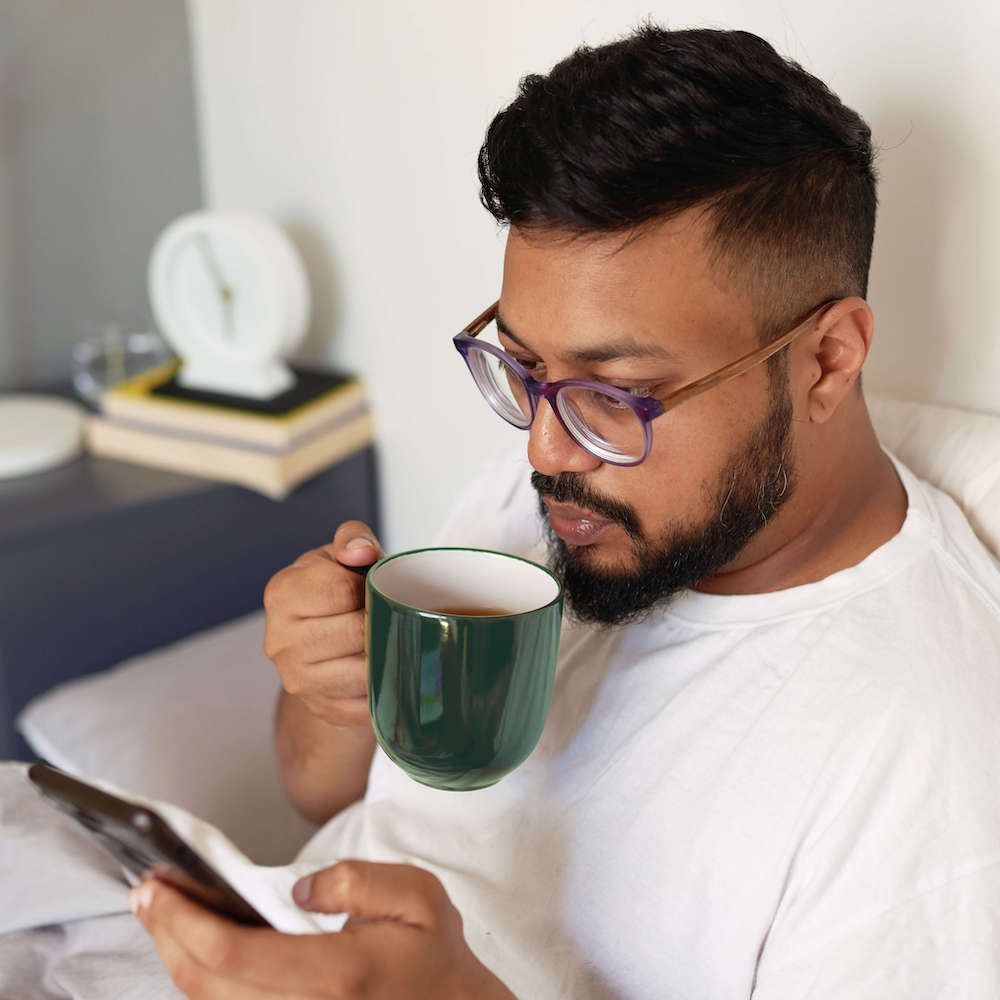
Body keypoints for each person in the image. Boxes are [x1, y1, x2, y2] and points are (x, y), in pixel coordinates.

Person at [129, 24, 1000, 998]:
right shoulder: (555, 501)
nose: (542, 452)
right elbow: (319, 790)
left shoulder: (922, 749)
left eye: (612, 393)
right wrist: (331, 694)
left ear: (828, 360)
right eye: (526, 368)